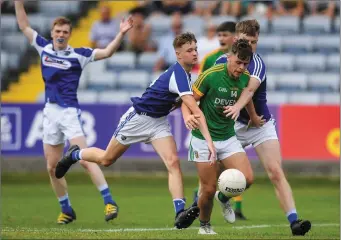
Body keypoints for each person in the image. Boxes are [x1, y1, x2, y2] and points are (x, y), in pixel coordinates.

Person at [55, 32, 217, 229]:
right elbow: (194, 108)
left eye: (195, 49)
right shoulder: (178, 74)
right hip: (138, 119)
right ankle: (75, 154)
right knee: (107, 159)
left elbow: (180, 104)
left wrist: (186, 114)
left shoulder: (185, 75)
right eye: (189, 50)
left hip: (158, 122)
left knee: (173, 162)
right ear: (178, 54)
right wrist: (209, 141)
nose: (194, 53)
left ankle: (179, 212)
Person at [14, 1, 133, 224]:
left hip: (70, 112)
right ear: (52, 32)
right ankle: (66, 209)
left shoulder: (79, 54)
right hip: (50, 112)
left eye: (65, 32)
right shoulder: (43, 47)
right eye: (57, 31)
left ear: (70, 34)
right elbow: (23, 25)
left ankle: (109, 200)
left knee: (85, 158)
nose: (61, 34)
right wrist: (18, 2)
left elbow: (106, 52)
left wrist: (121, 33)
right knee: (52, 167)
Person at [215, 19, 311, 236]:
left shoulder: (257, 64)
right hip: (232, 127)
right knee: (217, 172)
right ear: (236, 39)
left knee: (276, 172)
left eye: (254, 41)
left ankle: (294, 221)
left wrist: (237, 108)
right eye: (245, 41)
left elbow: (248, 92)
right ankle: (207, 203)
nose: (250, 45)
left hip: (260, 125)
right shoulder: (221, 62)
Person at [182, 39, 255, 235]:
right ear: (229, 57)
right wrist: (188, 116)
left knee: (247, 179)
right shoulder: (211, 76)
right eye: (238, 62)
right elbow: (187, 100)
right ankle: (205, 225)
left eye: (245, 64)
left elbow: (247, 97)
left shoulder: (245, 78)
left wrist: (253, 116)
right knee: (207, 188)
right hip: (203, 139)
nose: (241, 68)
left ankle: (223, 198)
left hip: (228, 137)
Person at [196, 20, 249, 221]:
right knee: (211, 173)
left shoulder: (244, 67)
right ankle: (200, 200)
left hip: (227, 125)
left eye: (224, 35)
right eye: (218, 35)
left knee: (235, 172)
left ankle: (235, 204)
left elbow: (248, 91)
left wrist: (250, 114)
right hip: (207, 125)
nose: (221, 39)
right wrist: (193, 114)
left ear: (234, 38)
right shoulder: (210, 60)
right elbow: (200, 87)